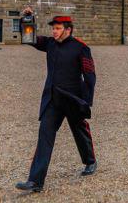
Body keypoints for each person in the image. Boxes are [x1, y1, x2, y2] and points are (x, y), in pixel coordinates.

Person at [16, 10, 97, 193]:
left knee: (80, 131)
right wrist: (27, 19)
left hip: (72, 99)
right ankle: (35, 181)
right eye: (53, 28)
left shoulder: (81, 48)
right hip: (53, 99)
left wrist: (86, 102)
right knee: (44, 135)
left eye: (58, 28)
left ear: (68, 29)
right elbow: (29, 38)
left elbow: (90, 76)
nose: (54, 31)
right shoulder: (50, 44)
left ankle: (90, 161)